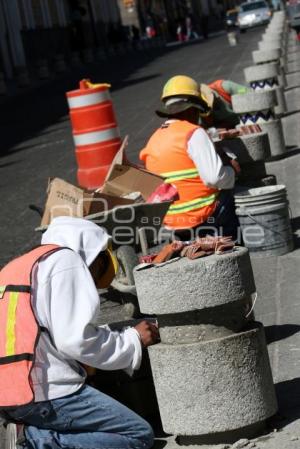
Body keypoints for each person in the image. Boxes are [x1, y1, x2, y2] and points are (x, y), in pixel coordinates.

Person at [0, 216, 158, 449]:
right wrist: (132, 339)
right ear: (95, 257)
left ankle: (23, 431)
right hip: (44, 393)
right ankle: (31, 442)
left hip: (10, 393)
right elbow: (76, 340)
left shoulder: (19, 266)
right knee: (137, 435)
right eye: (96, 272)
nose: (92, 280)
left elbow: (43, 330)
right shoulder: (66, 260)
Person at [139, 75, 240, 241]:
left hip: (171, 222)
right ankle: (235, 244)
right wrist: (232, 171)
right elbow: (214, 178)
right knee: (234, 191)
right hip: (203, 216)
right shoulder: (193, 133)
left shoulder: (154, 139)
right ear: (192, 109)